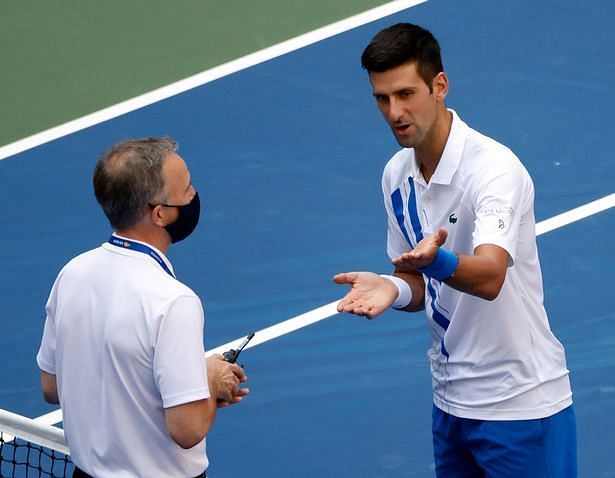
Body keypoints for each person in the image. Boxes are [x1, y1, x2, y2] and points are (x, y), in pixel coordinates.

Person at [334, 23, 576, 477]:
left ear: (439, 85)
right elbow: (418, 281)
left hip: (521, 405)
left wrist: (436, 262)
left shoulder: (493, 171)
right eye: (382, 99)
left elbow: (488, 276)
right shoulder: (395, 175)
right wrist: (391, 288)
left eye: (406, 94)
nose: (394, 112)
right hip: (451, 403)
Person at [37, 137, 248, 478]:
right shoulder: (173, 301)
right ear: (160, 213)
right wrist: (208, 382)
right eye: (187, 189)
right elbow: (187, 429)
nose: (194, 195)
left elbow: (52, 387)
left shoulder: (71, 273)